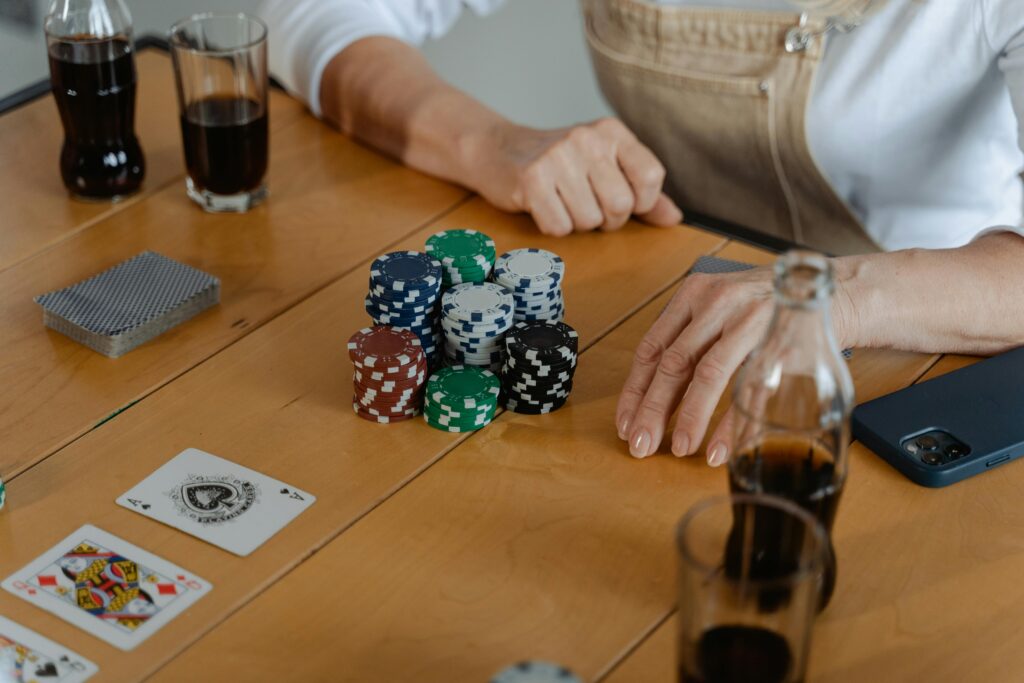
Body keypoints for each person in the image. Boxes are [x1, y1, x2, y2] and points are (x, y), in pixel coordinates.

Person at [261, 0, 1024, 464]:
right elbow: (304, 19)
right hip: (657, 316)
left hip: (924, 358)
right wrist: (486, 142)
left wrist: (832, 295)